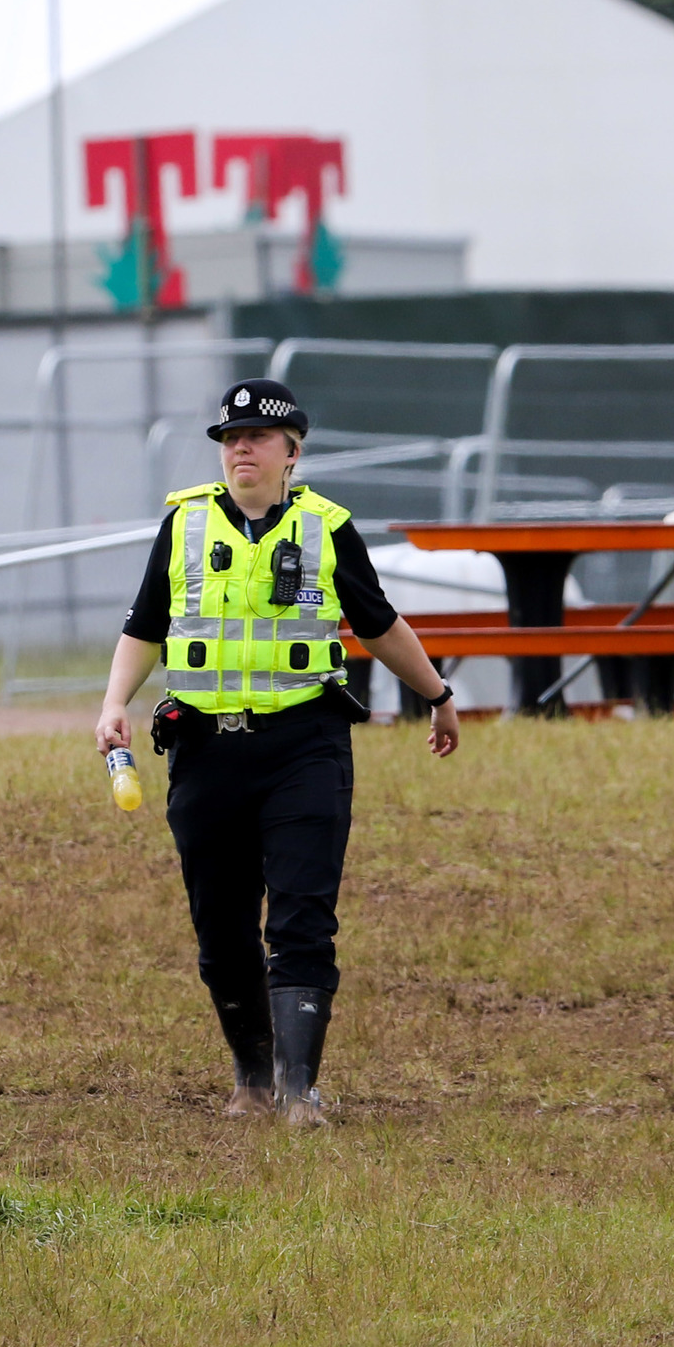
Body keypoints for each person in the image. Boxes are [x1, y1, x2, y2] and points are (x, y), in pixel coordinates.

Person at [93, 378, 463, 1128]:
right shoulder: (186, 525)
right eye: (230, 440)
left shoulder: (328, 528)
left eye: (256, 439)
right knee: (220, 923)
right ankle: (251, 1078)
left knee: (301, 917)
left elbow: (380, 623)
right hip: (203, 748)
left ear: (292, 452)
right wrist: (113, 705)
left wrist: (437, 693)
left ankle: (301, 1089)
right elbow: (145, 624)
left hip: (304, 745)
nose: (240, 451)